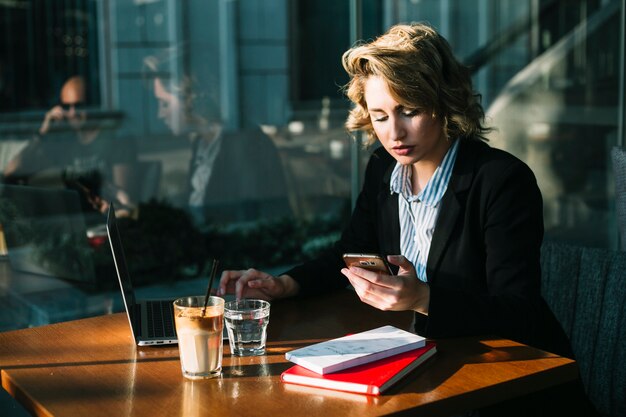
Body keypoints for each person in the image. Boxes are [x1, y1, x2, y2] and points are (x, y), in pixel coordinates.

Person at [218, 23, 595, 416]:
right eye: (379, 116)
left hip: (511, 388)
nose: (394, 132)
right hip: (425, 370)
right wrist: (285, 284)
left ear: (444, 102)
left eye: (409, 111)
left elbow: (520, 314)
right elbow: (349, 254)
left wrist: (424, 298)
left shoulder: (501, 181)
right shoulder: (384, 168)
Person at [144, 53, 292, 226]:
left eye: (165, 104)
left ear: (191, 98)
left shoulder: (246, 145)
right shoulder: (201, 144)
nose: (159, 114)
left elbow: (253, 224)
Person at [3, 75, 136, 219]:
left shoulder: (115, 139)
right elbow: (12, 171)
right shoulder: (65, 143)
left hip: (106, 222)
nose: (73, 113)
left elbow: (124, 200)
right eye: (67, 107)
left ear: (91, 104)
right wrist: (43, 133)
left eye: (78, 106)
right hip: (75, 223)